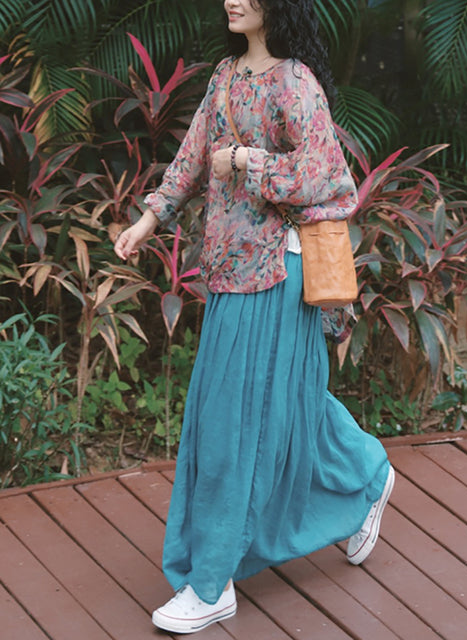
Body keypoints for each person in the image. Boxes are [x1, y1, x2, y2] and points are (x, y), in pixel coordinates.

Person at [114, 0, 395, 634]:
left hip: (276, 271)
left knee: (232, 417)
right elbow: (190, 159)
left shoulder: (294, 80)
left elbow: (324, 173)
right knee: (279, 401)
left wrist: (246, 161)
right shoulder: (225, 75)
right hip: (230, 272)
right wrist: (148, 218)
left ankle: (212, 582)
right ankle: (367, 474)